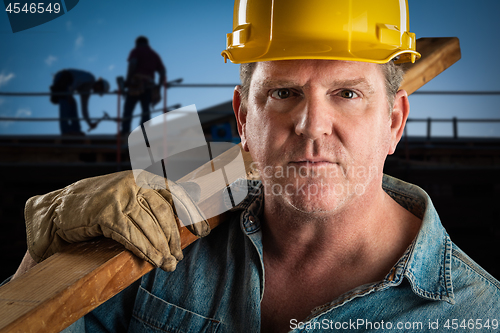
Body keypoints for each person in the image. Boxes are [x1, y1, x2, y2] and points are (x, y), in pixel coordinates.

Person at [12, 0, 500, 332]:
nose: (312, 125)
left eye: (347, 94)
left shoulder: (477, 314)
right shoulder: (158, 244)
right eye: (284, 93)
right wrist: (49, 255)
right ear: (244, 117)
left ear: (394, 122)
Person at [121, 36, 167, 136]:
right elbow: (163, 72)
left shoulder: (136, 50)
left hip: (135, 84)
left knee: (128, 109)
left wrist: (128, 81)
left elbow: (132, 64)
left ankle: (125, 131)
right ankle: (144, 132)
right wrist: (158, 87)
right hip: (149, 85)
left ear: (137, 43)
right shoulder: (154, 55)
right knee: (146, 109)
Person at [50, 69, 109, 135]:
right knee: (65, 100)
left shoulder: (86, 92)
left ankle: (76, 130)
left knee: (73, 103)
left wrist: (89, 123)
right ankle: (65, 132)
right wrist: (69, 93)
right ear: (99, 85)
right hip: (63, 78)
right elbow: (77, 80)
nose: (97, 92)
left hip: (67, 84)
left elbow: (84, 110)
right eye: (100, 91)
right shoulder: (90, 78)